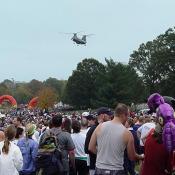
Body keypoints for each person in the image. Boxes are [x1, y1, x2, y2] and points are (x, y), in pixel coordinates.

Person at [89, 103, 143, 175]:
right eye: (128, 116)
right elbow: (132, 156)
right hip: (116, 170)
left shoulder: (100, 126)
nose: (128, 119)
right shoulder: (127, 133)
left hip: (99, 168)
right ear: (124, 115)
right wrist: (141, 156)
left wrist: (103, 154)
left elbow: (91, 148)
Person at [85, 107, 113, 175]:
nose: (110, 117)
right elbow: (88, 149)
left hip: (108, 165)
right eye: (108, 115)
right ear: (102, 116)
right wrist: (102, 154)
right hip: (96, 165)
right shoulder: (94, 129)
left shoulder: (107, 127)